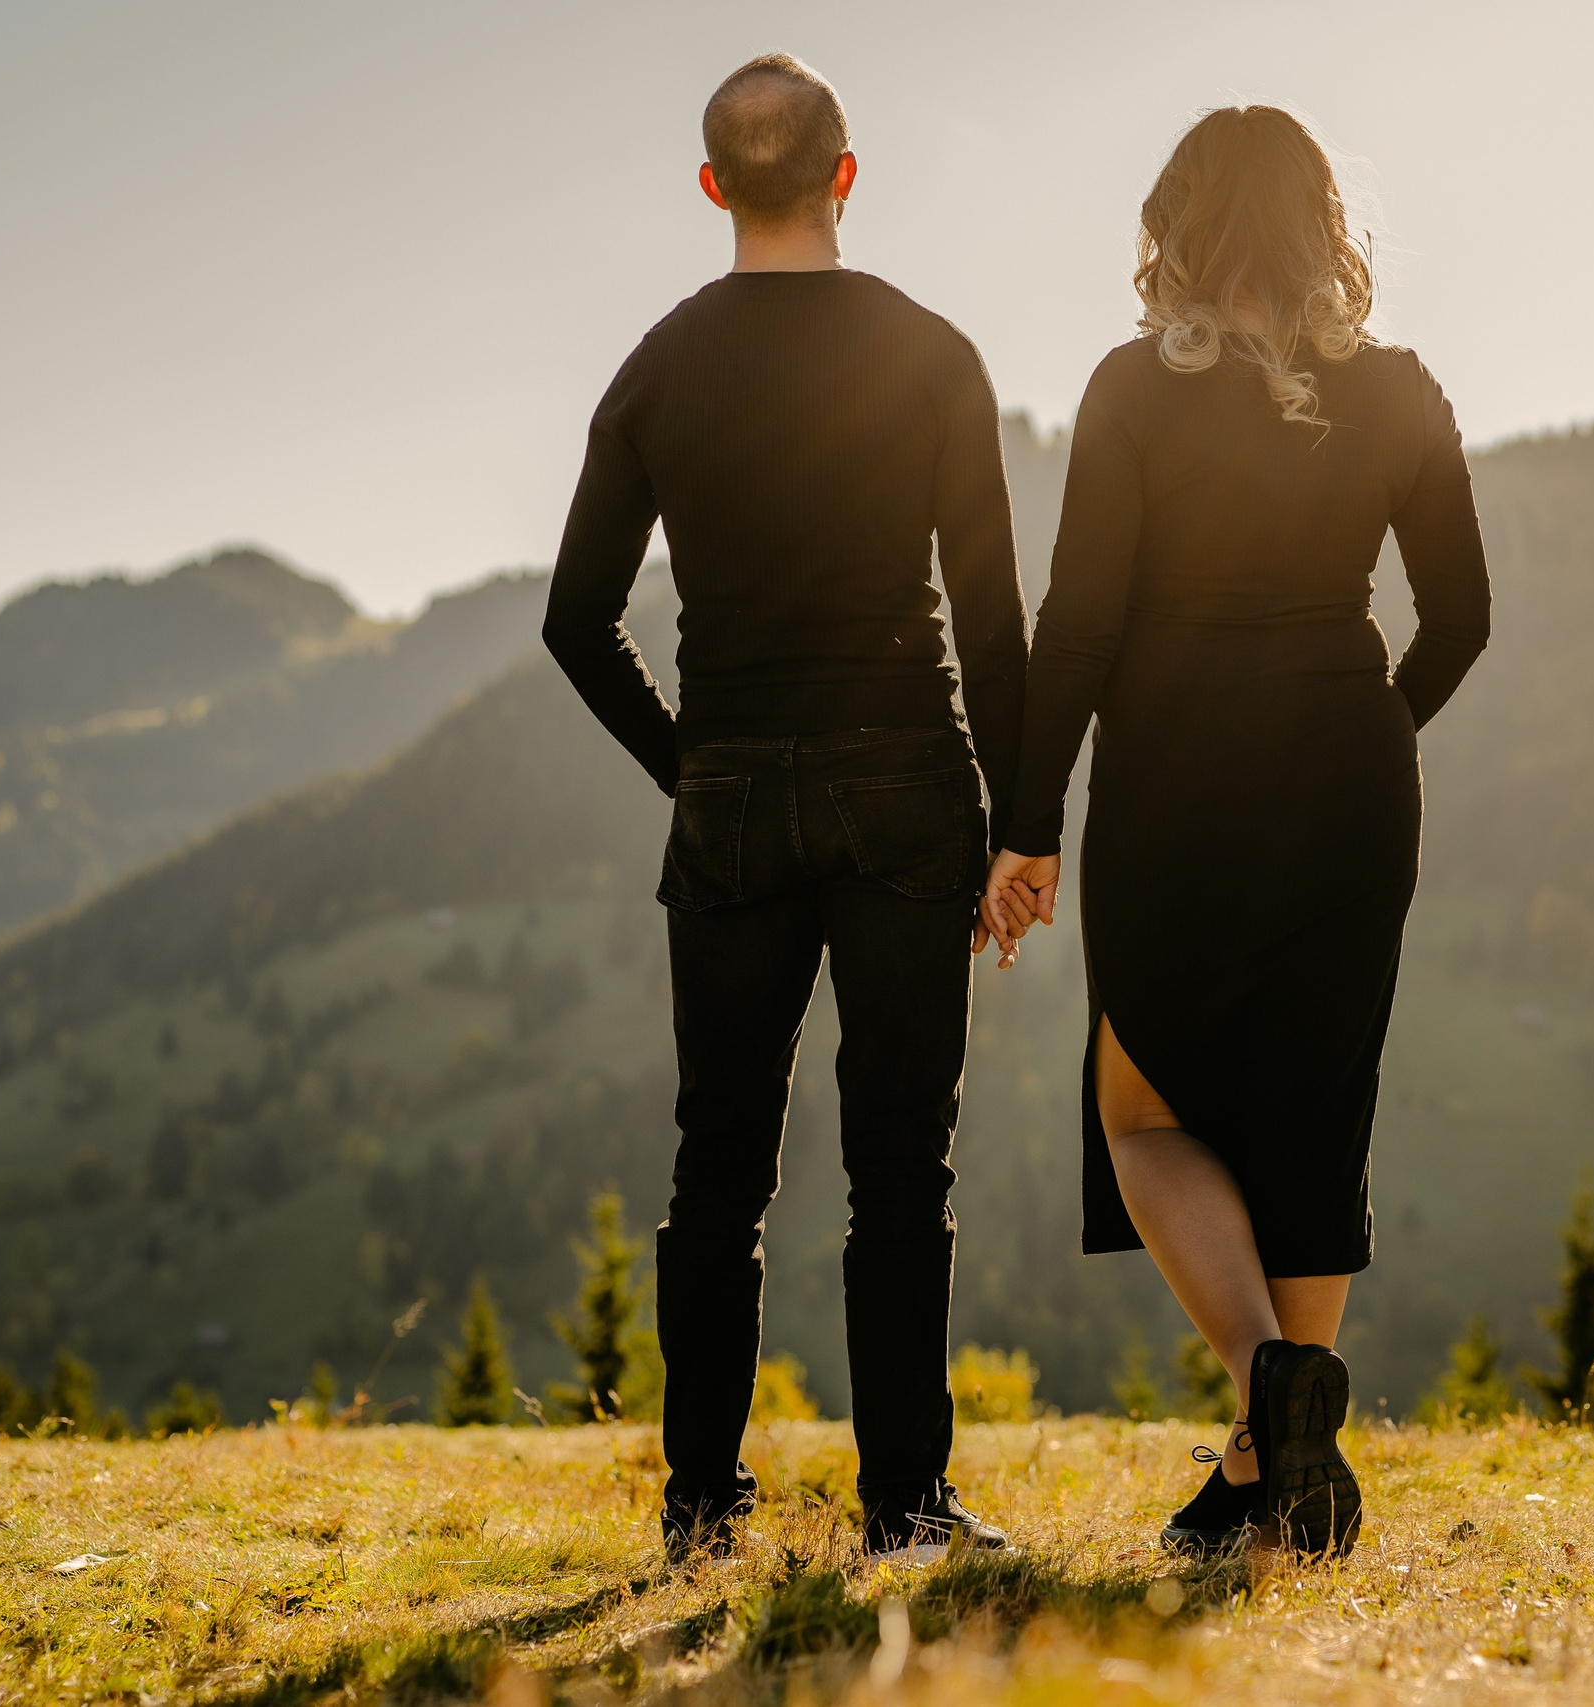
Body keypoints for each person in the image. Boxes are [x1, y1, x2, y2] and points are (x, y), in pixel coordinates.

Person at [982, 105, 1491, 1557]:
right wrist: (1374, 727)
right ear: (1323, 223)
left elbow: (1077, 627)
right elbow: (1462, 620)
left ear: (1181, 227)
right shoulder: (1399, 391)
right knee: (1312, 1122)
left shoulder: (1136, 388)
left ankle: (1270, 1421)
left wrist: (1027, 825)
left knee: (1146, 1114)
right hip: (1348, 774)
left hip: (1178, 780)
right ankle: (1278, 1481)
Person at [543, 52, 1028, 1566]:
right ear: (846, 174)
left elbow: (577, 620)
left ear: (711, 189)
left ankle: (700, 1506)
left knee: (717, 1167)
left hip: (734, 797)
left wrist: (691, 764)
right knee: (902, 1169)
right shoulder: (933, 355)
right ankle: (905, 1508)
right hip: (905, 785)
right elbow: (997, 615)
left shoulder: (659, 368)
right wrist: (1025, 830)